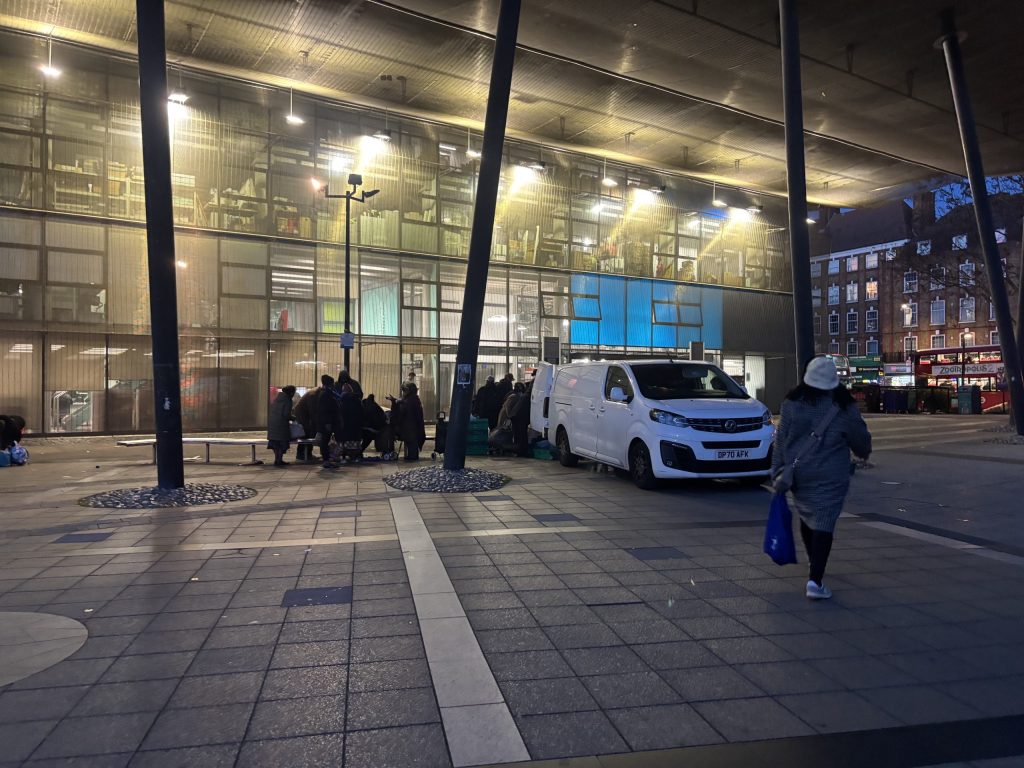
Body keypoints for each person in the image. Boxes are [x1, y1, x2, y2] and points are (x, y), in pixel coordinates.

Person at [771, 356, 872, 600]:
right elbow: (860, 441)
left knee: (807, 516)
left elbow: (781, 439)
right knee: (824, 522)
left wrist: (776, 470)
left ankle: (813, 563)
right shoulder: (844, 407)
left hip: (800, 474)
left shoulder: (791, 404)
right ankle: (815, 581)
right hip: (831, 476)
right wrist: (863, 451)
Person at [392, 382, 426, 461]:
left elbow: (403, 412)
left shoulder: (410, 400)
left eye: (405, 391)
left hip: (410, 427)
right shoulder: (414, 399)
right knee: (411, 442)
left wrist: (396, 403)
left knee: (411, 441)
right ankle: (412, 456)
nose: (404, 393)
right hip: (413, 427)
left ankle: (412, 457)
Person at [497, 382, 531, 457]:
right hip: (510, 418)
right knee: (512, 434)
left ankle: (515, 449)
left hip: (513, 417)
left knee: (516, 434)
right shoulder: (514, 396)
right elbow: (507, 408)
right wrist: (509, 416)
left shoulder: (518, 395)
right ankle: (510, 449)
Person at [266, 385, 297, 467]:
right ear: (291, 392)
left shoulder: (278, 398)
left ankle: (277, 460)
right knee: (281, 443)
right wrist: (294, 418)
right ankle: (279, 460)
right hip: (281, 425)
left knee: (276, 444)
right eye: (293, 392)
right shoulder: (287, 400)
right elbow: (286, 415)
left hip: (273, 424)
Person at [316, 375, 342, 468]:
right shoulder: (326, 394)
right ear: (329, 383)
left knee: (325, 441)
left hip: (328, 422)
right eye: (332, 383)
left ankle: (327, 460)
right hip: (327, 422)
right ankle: (326, 461)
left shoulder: (326, 393)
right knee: (325, 441)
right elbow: (325, 410)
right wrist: (327, 423)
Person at [292, 385, 321, 461]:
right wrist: (315, 422)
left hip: (303, 417)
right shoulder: (313, 395)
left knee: (307, 435)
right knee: (306, 435)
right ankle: (303, 455)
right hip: (303, 417)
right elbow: (312, 411)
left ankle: (306, 454)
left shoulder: (313, 393)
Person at [337, 383, 364, 462]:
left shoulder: (341, 399)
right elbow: (362, 412)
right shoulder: (357, 399)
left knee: (345, 442)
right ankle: (355, 457)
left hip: (345, 425)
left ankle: (344, 457)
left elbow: (339, 412)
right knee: (355, 442)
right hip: (356, 426)